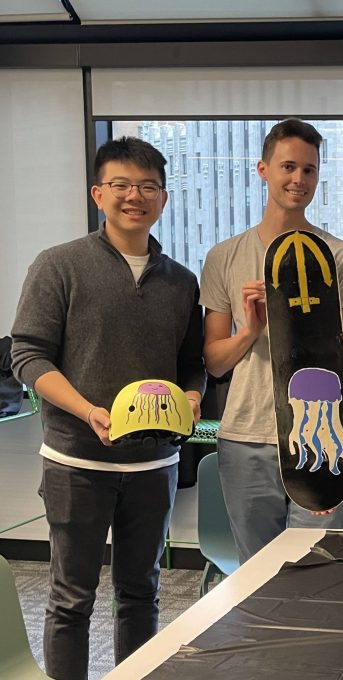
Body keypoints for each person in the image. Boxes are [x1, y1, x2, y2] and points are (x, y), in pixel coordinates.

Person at [10, 137, 206, 680]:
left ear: (163, 199)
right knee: (71, 599)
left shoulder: (181, 281)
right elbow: (27, 353)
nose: (133, 196)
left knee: (142, 592)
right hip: (77, 464)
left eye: (147, 187)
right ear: (99, 193)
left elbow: (192, 364)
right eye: (121, 185)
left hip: (154, 466)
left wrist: (191, 397)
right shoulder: (59, 265)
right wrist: (88, 409)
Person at [200, 119, 343, 563]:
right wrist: (250, 330)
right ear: (262, 169)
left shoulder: (340, 257)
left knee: (319, 571)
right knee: (254, 576)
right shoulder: (223, 257)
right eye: (288, 166)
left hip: (320, 438)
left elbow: (332, 352)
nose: (299, 179)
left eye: (309, 170)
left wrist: (285, 311)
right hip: (245, 437)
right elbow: (214, 362)